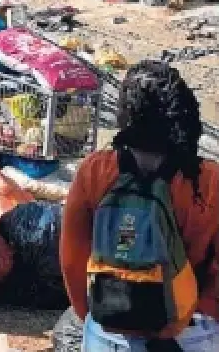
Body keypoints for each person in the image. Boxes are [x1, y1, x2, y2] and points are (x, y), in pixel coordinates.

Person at [60, 60, 219, 350]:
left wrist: (97, 319)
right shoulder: (208, 181)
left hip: (110, 328)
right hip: (191, 332)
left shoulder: (95, 171)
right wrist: (182, 323)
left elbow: (73, 260)